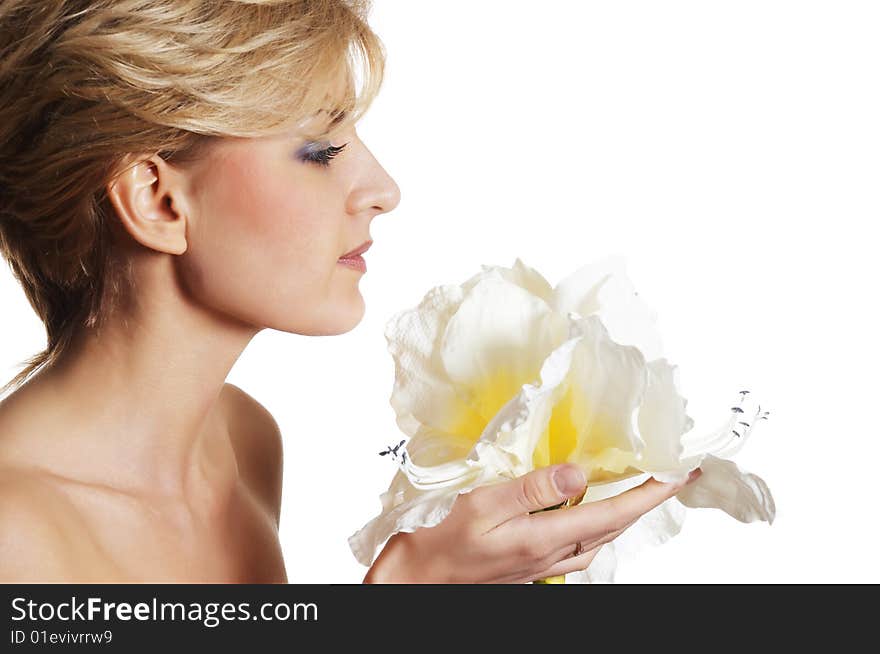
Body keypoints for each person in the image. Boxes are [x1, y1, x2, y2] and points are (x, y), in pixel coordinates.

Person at [0, 0, 700, 584]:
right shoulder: (14, 536)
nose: (383, 191)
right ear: (157, 201)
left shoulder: (241, 443)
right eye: (321, 150)